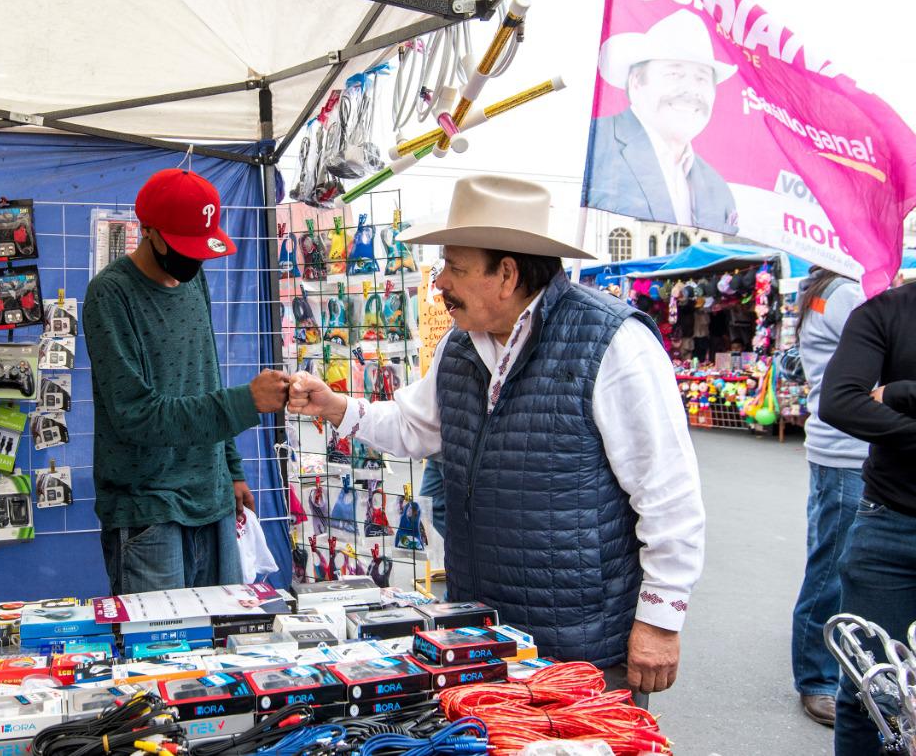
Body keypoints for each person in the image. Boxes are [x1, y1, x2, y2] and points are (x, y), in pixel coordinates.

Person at [288, 175, 705, 698]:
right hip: (481, 634)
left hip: (581, 645)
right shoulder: (461, 349)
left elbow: (668, 491)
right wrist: (337, 407)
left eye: (455, 268)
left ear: (506, 274)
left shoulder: (614, 342)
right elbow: (416, 426)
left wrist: (661, 619)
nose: (440, 281)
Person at [83, 168, 289, 595]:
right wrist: (246, 403)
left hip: (211, 500)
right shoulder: (110, 295)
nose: (194, 259)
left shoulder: (195, 285)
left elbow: (206, 378)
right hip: (148, 509)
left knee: (221, 641)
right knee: (159, 653)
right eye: (184, 245)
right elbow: (135, 414)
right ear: (148, 231)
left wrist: (231, 470)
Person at [819, 280, 916, 755]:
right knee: (870, 691)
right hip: (890, 527)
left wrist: (899, 392)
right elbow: (839, 401)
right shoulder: (885, 311)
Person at [790, 268, 867, 727]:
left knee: (831, 560)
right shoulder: (844, 294)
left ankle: (827, 666)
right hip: (847, 449)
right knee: (832, 568)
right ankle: (817, 678)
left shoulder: (828, 291)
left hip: (841, 447)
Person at [586, 9, 738, 234]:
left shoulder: (718, 189)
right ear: (636, 81)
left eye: (701, 78)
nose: (690, 89)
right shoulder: (595, 145)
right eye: (674, 74)